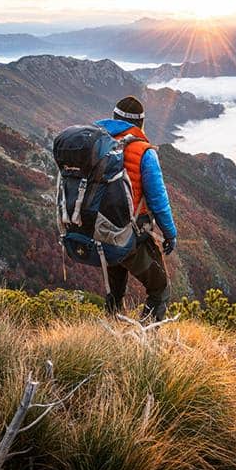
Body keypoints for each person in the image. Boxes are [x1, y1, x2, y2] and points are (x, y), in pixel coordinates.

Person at [94, 96, 177, 321]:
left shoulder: (96, 143)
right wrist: (170, 234)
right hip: (131, 234)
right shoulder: (144, 152)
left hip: (101, 230)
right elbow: (159, 202)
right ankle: (145, 345)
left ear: (114, 118)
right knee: (160, 290)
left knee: (115, 290)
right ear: (140, 123)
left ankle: (110, 334)